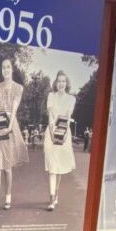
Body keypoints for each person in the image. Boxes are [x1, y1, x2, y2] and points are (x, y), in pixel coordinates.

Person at [0, 56, 28, 217]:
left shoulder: (18, 88)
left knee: (7, 167)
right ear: (1, 70)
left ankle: (8, 196)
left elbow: (14, 109)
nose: (6, 70)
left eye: (8, 67)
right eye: (3, 67)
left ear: (12, 69)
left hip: (10, 126)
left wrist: (9, 127)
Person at [43, 70, 76, 211]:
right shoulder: (51, 96)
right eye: (59, 81)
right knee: (52, 167)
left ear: (66, 83)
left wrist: (61, 134)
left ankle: (56, 193)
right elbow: (50, 115)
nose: (61, 84)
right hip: (51, 132)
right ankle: (51, 199)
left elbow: (67, 117)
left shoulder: (71, 99)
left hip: (64, 133)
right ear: (55, 83)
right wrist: (51, 132)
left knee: (59, 167)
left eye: (63, 81)